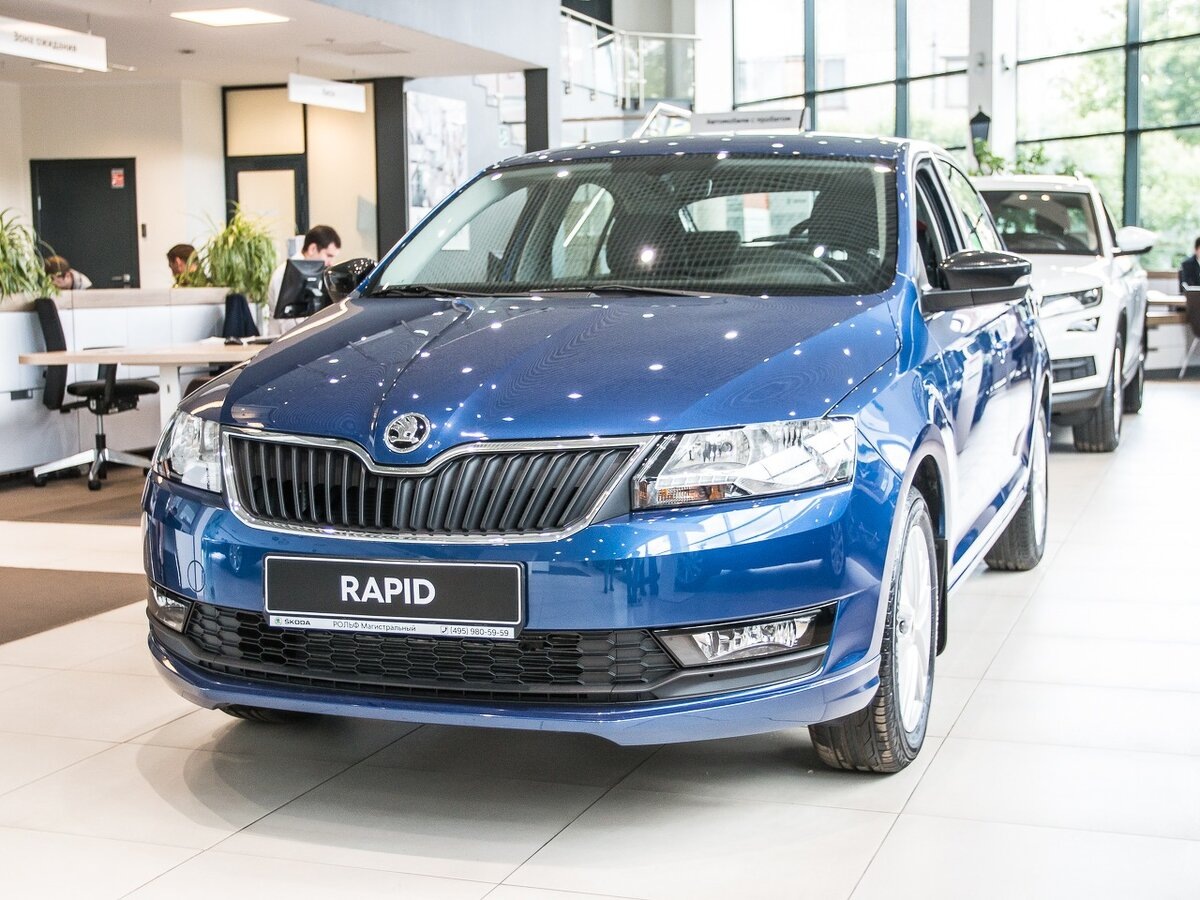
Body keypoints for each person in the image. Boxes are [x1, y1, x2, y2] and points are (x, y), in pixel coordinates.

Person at [266, 225, 341, 311]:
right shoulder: (284, 273)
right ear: (312, 249)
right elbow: (285, 314)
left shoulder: (317, 273)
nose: (331, 263)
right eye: (329, 256)